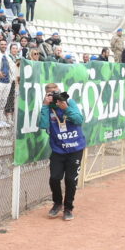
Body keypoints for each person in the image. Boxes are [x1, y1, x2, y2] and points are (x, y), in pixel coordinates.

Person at [38, 88, 84, 220]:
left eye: (57, 93)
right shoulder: (48, 108)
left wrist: (66, 108)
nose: (56, 97)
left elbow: (79, 120)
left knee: (70, 180)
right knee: (54, 178)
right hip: (58, 150)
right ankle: (57, 203)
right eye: (52, 94)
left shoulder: (70, 103)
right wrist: (45, 105)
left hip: (75, 149)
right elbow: (43, 125)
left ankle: (68, 208)